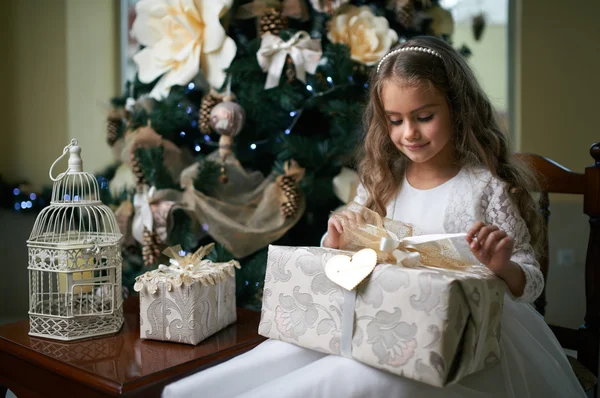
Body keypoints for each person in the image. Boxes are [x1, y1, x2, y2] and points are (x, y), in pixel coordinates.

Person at [161, 36, 586, 398]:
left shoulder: (484, 188)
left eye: (424, 117)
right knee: (284, 352)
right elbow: (346, 250)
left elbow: (530, 282)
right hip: (379, 317)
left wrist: (502, 266)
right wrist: (338, 239)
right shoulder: (384, 181)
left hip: (460, 336)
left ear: (457, 107)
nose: (409, 134)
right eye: (395, 121)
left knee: (359, 380)